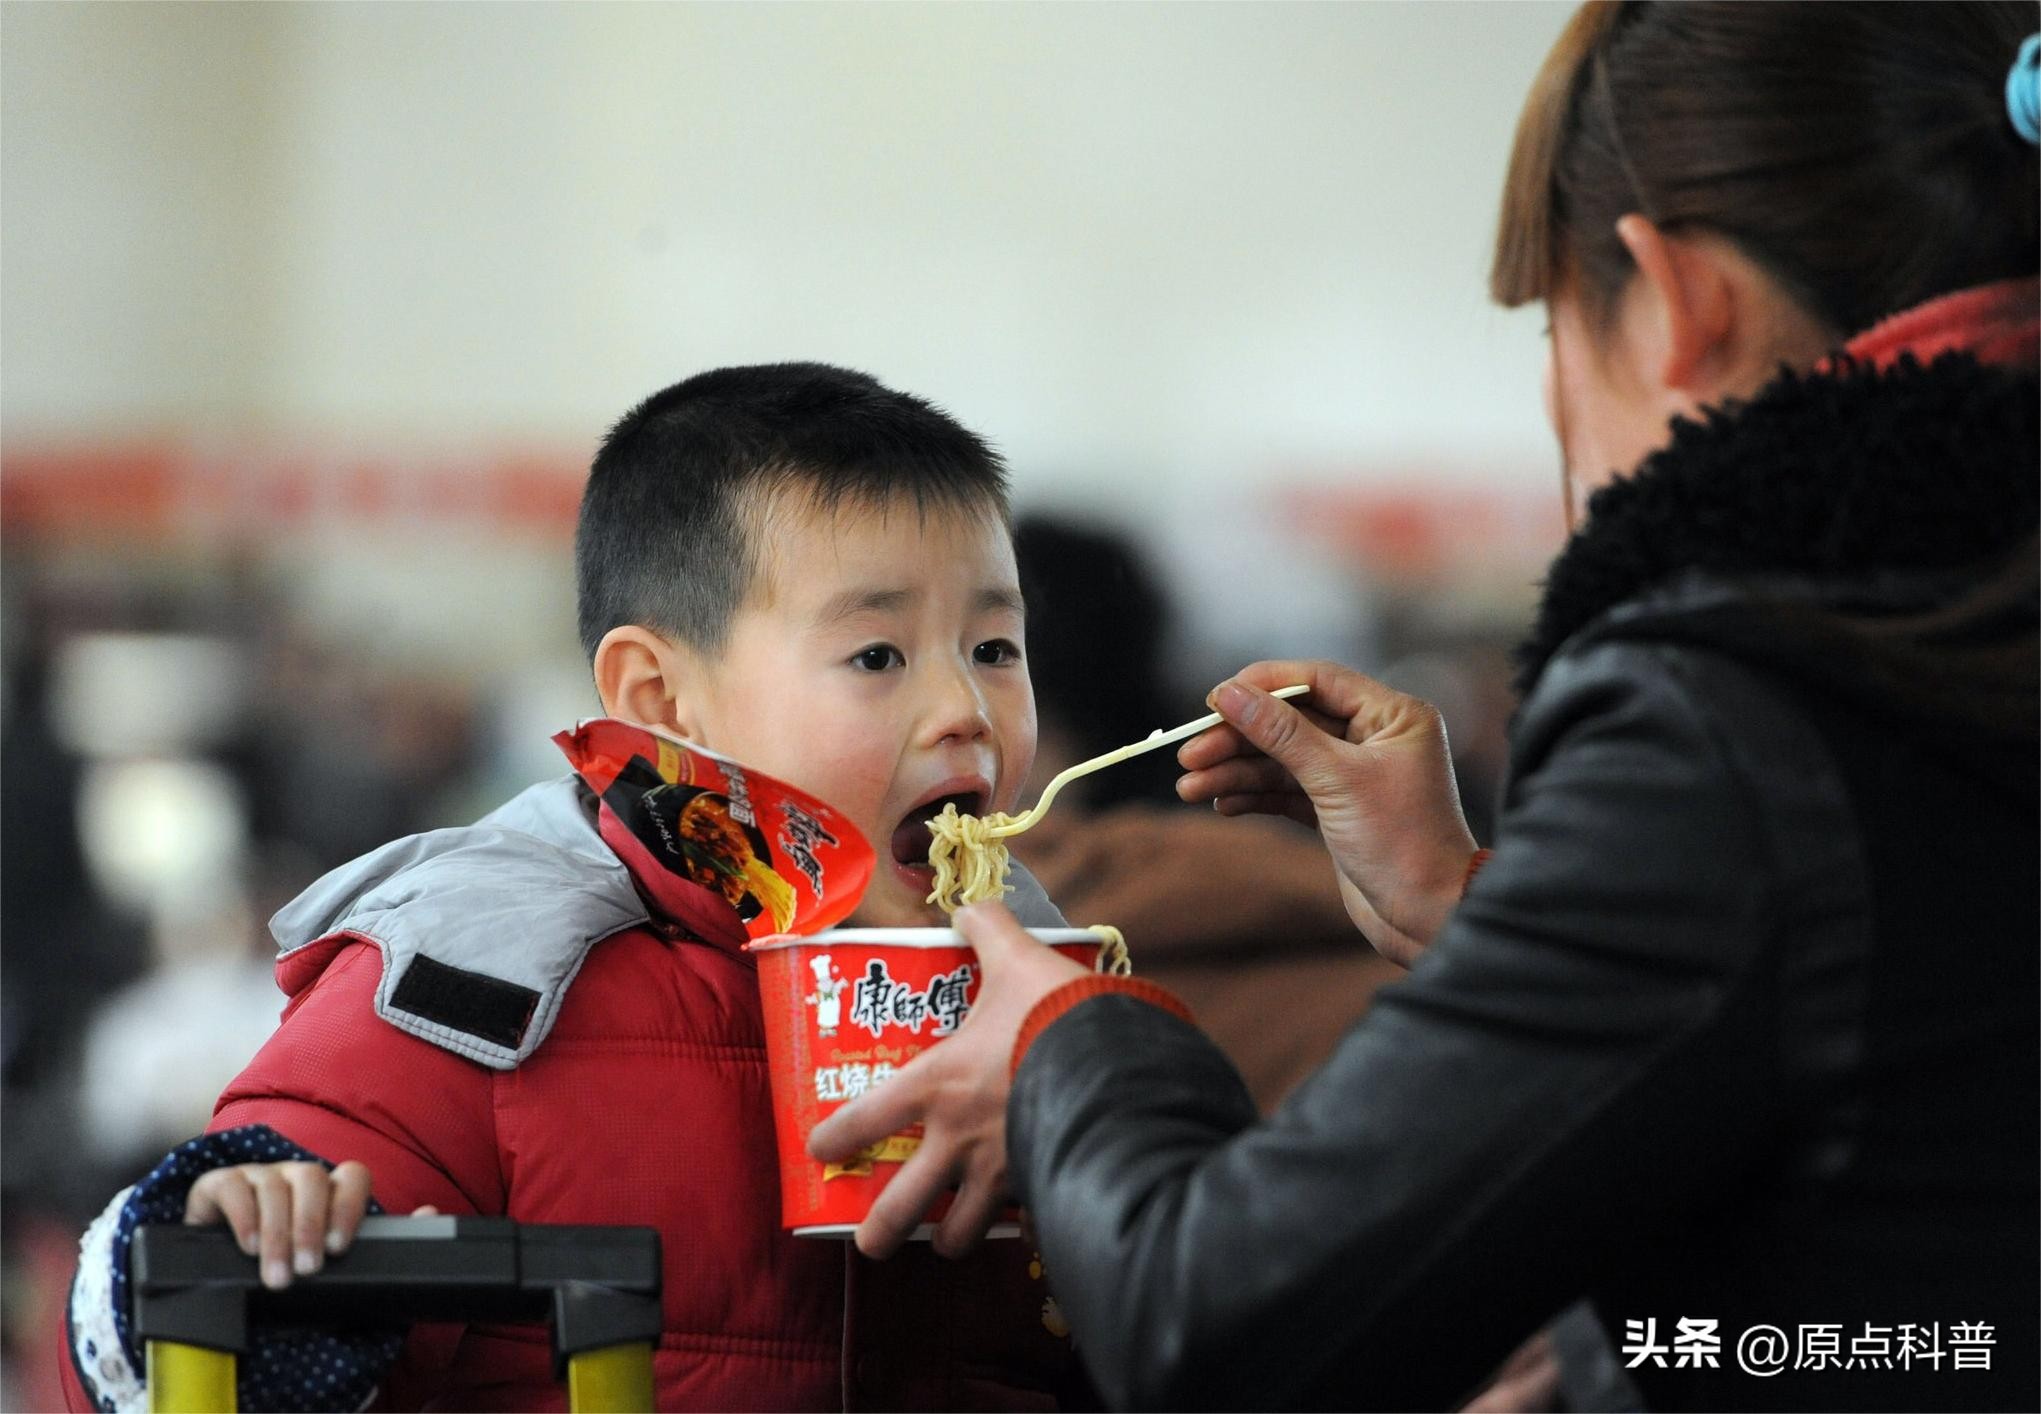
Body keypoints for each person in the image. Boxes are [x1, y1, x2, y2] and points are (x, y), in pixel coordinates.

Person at [811, 6, 2040, 1411]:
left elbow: (1219, 1328)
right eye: (874, 654)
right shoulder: (1937, 639)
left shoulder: (1735, 717)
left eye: (1554, 325)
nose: (959, 713)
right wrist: (1471, 901)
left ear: (1673, 302)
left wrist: (1065, 1042)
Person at [61, 363, 1091, 1411]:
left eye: (992, 648)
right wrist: (230, 1242)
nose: (966, 710)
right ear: (661, 700)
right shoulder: (478, 980)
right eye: (876, 656)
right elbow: (190, 1326)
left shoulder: (1049, 985)